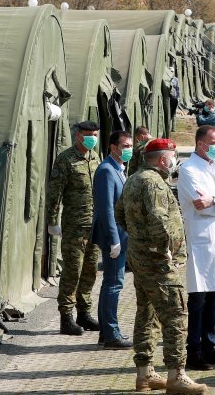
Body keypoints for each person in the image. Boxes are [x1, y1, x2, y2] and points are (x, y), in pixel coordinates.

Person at [115, 138, 208, 395]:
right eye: (172, 157)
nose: (174, 162)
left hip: (141, 257)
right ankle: (176, 375)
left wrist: (139, 238)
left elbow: (120, 214)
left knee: (147, 314)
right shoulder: (154, 182)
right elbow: (159, 220)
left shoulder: (134, 178)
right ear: (163, 159)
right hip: (158, 262)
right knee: (176, 314)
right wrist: (164, 249)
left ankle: (145, 375)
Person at [177, 126, 215, 371]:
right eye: (213, 142)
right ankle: (194, 349)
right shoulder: (188, 170)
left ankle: (210, 345)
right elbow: (199, 206)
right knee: (199, 297)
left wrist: (214, 199)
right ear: (200, 143)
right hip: (200, 239)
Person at [47, 120, 102, 335]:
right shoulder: (65, 160)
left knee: (90, 271)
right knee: (72, 272)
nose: (92, 138)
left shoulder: (95, 157)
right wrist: (52, 221)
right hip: (74, 227)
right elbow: (54, 193)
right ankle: (66, 317)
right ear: (78, 135)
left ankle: (84, 313)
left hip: (93, 225)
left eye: (95, 135)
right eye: (88, 135)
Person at [91, 130, 134, 349]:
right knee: (113, 283)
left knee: (113, 282)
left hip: (120, 235)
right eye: (125, 146)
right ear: (113, 147)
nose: (128, 149)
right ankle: (111, 333)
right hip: (113, 236)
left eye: (130, 145)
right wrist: (114, 239)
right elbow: (106, 208)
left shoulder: (118, 169)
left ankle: (106, 332)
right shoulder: (107, 170)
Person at [170, 68, 181, 132]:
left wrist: (178, 98)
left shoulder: (175, 79)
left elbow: (178, 89)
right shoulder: (167, 79)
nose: (171, 72)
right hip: (168, 98)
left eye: (172, 71)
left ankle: (173, 128)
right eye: (170, 71)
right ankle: (168, 126)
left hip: (174, 98)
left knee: (173, 113)